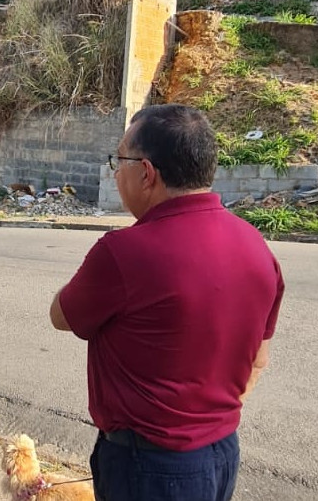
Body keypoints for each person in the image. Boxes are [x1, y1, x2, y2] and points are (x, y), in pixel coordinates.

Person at [49, 104, 284, 501]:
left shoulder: (124, 252)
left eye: (118, 160)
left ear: (146, 173)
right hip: (222, 452)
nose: (115, 170)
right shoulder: (255, 245)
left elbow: (61, 315)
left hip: (150, 467)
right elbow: (258, 361)